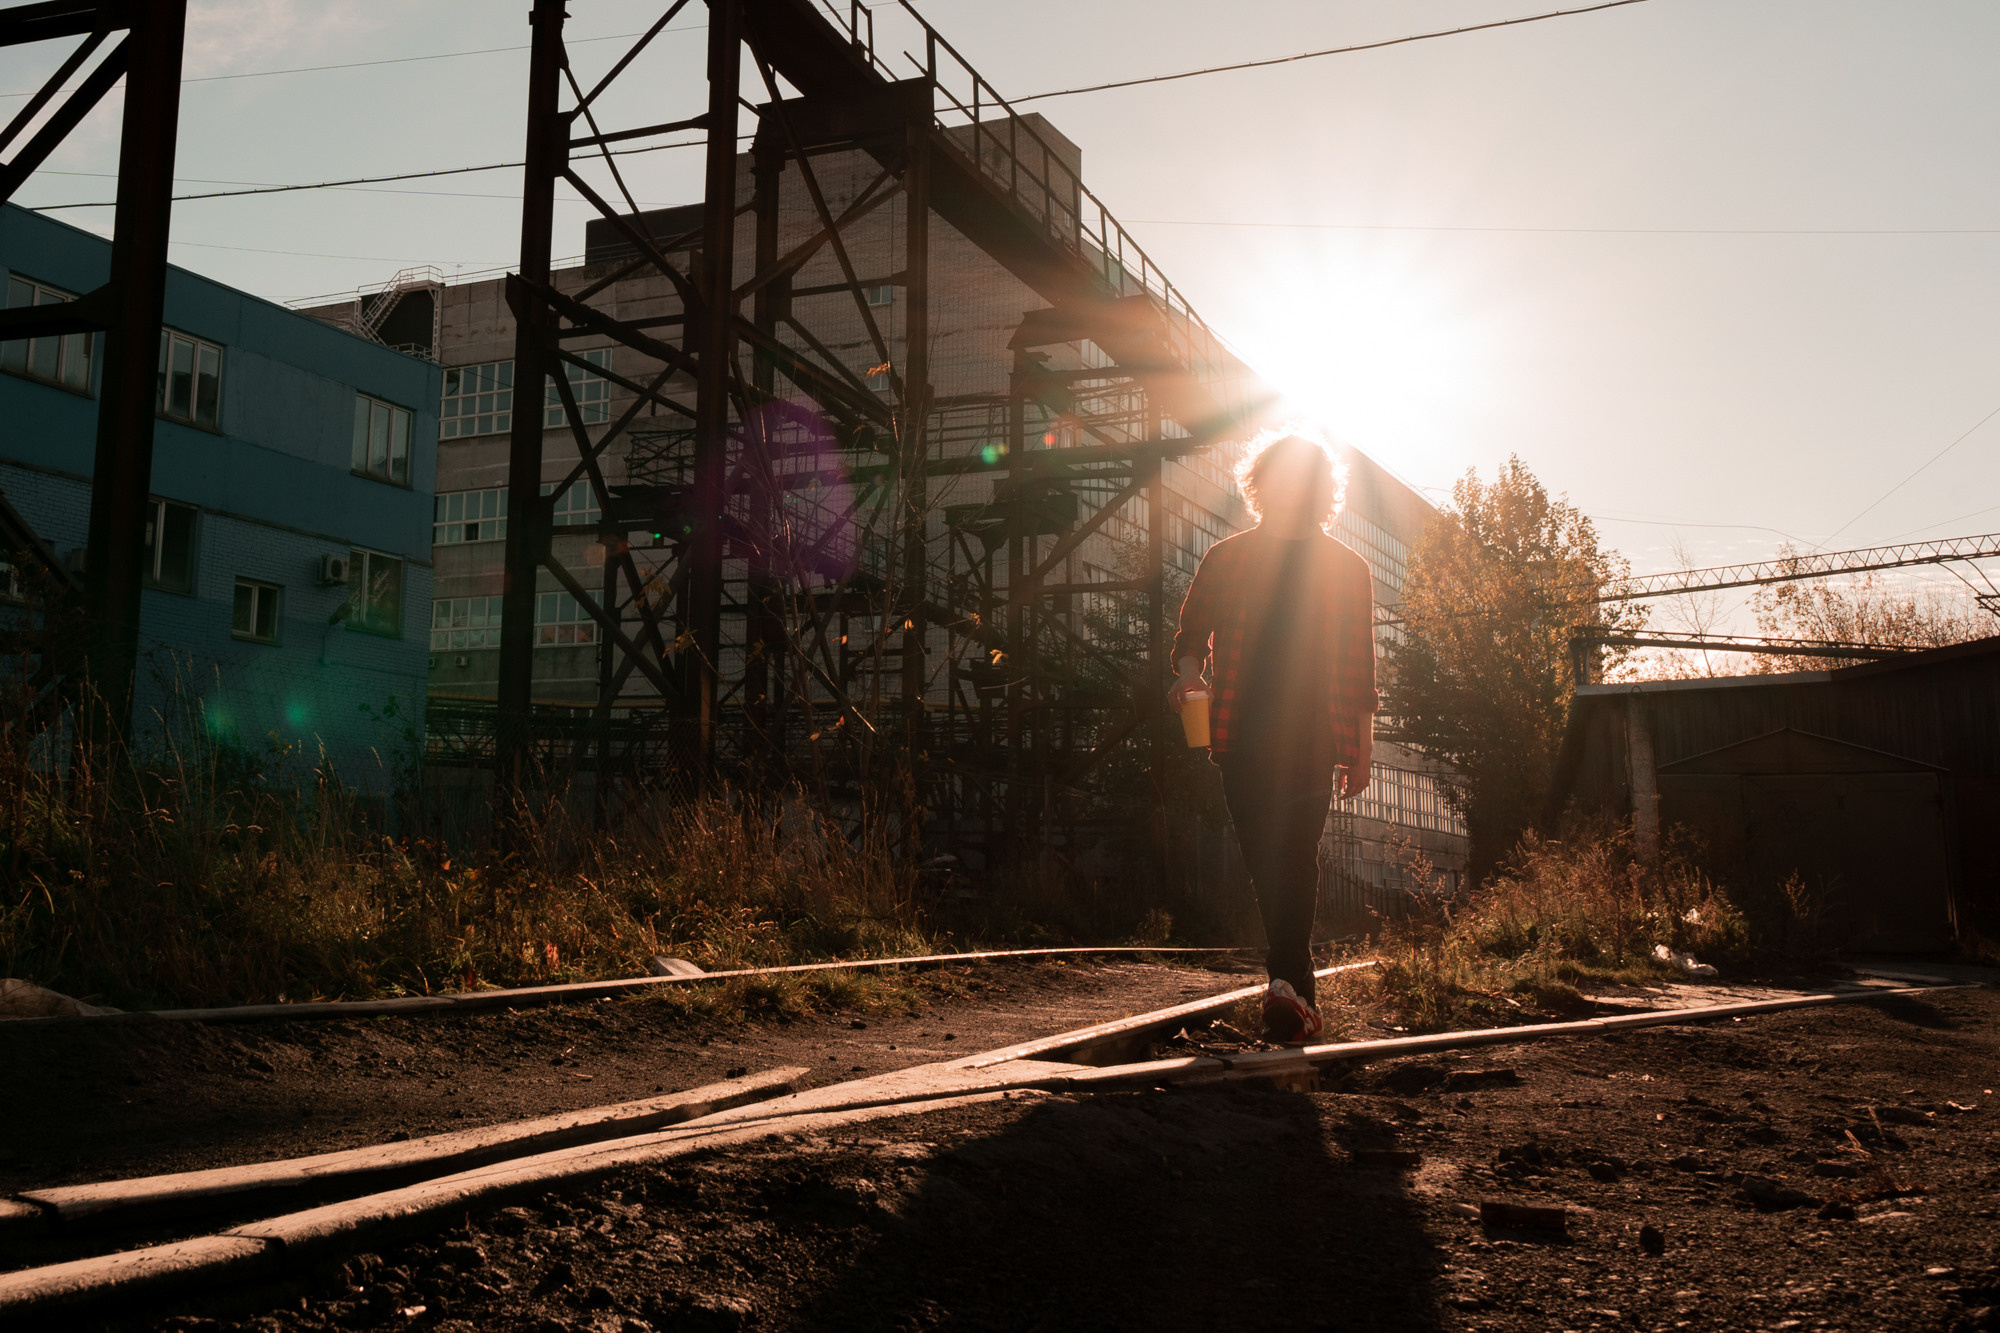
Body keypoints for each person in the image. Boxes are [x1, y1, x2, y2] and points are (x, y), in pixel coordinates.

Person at [1168, 433, 1377, 1044]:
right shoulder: (1226, 559)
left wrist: (1361, 746)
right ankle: (1294, 992)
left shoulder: (1348, 567)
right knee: (1266, 860)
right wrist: (1187, 676)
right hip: (1238, 732)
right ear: (1260, 487)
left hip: (1315, 737)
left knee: (1294, 856)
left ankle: (1288, 987)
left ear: (1320, 492)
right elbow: (1191, 633)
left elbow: (1359, 668)